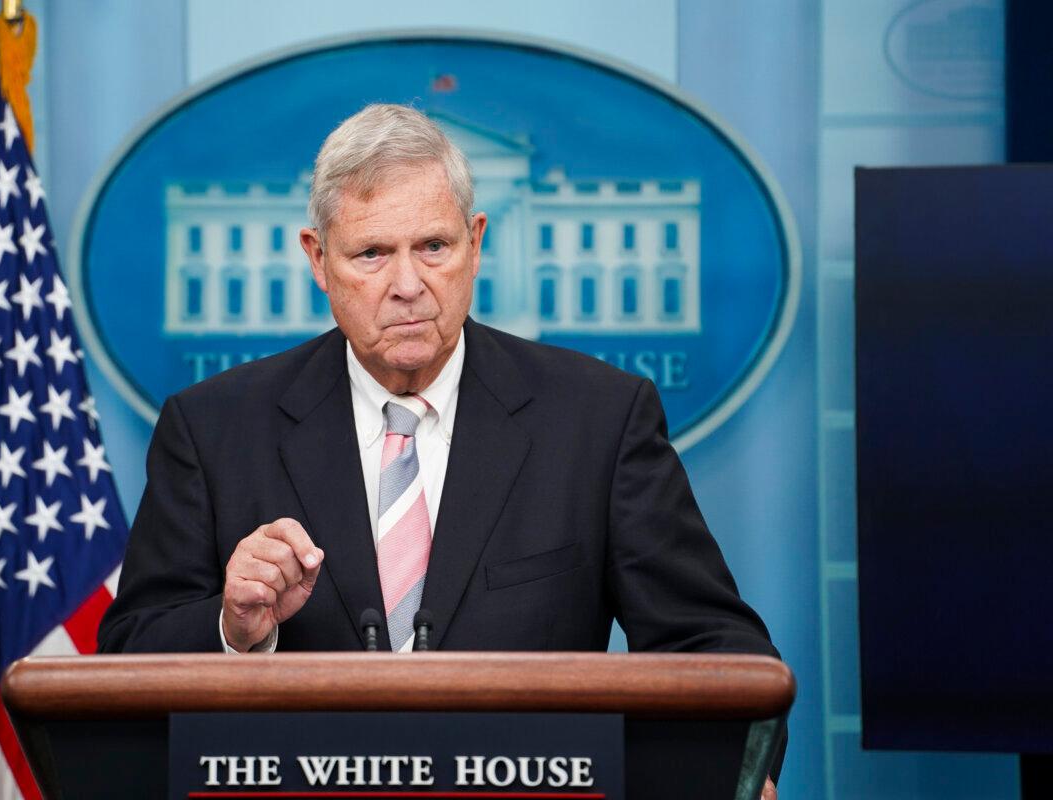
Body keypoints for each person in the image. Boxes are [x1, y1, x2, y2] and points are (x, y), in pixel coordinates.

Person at [97, 104, 781, 797]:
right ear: (318, 259)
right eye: (371, 253)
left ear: (475, 242)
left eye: (433, 247)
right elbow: (126, 657)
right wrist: (232, 628)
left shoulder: (599, 421)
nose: (408, 285)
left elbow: (717, 649)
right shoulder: (214, 429)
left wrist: (736, 772)